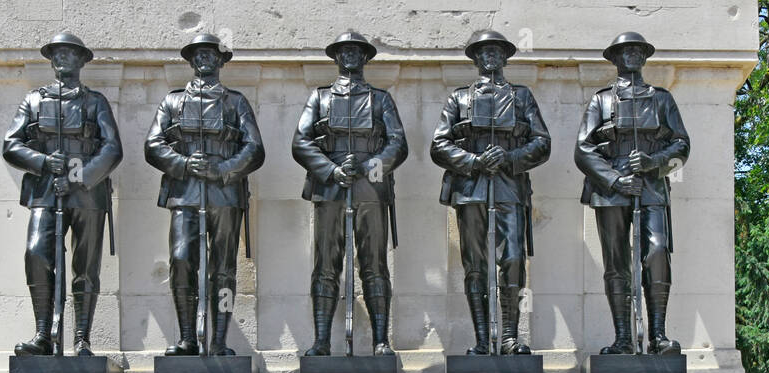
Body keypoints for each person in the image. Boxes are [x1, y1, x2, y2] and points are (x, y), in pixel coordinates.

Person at [3, 32, 123, 358]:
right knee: (36, 254)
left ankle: (82, 339)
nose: (61, 58)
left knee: (86, 266)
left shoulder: (95, 102)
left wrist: (77, 178)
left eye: (69, 54)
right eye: (56, 53)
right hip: (45, 192)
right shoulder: (33, 100)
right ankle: (43, 334)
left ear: (82, 60)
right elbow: (11, 146)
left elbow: (112, 149)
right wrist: (42, 161)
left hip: (87, 193)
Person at [431, 30, 550, 355]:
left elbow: (542, 143)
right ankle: (482, 340)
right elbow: (439, 145)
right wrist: (474, 161)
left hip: (510, 188)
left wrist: (511, 158)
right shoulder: (459, 98)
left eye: (497, 51)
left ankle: (510, 336)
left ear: (506, 56)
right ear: (476, 58)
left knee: (512, 259)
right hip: (470, 189)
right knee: (475, 265)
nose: (491, 57)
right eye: (484, 52)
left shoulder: (521, 96)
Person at [145, 34, 264, 356]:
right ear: (191, 60)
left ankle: (220, 340)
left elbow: (254, 149)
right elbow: (153, 145)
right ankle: (187, 338)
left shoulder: (235, 102)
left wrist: (223, 168)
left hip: (225, 194)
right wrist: (183, 163)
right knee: (182, 260)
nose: (204, 59)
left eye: (211, 54)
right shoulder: (172, 101)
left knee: (223, 268)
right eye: (198, 54)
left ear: (221, 61)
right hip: (185, 193)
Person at [292, 31, 408, 356]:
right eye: (345, 51)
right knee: (326, 265)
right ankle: (321, 342)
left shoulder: (381, 99)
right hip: (330, 188)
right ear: (337, 57)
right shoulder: (320, 98)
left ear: (366, 57)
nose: (351, 56)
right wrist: (332, 171)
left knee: (374, 264)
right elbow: (300, 142)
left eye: (357, 51)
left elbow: (398, 145)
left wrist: (369, 165)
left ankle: (381, 341)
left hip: (370, 188)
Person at [575, 31, 690, 355]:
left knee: (657, 253)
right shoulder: (601, 100)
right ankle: (623, 338)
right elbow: (583, 150)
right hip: (610, 188)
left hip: (651, 184)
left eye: (638, 51)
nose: (633, 55)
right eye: (626, 51)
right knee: (617, 263)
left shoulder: (661, 98)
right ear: (614, 58)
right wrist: (615, 180)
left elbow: (681, 145)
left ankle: (657, 336)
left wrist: (655, 161)